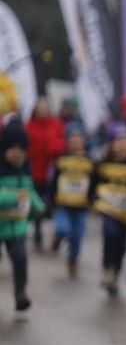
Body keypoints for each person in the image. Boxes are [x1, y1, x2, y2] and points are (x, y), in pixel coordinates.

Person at [91, 124, 126, 297]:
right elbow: (94, 183)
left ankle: (115, 273)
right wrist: (93, 199)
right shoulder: (103, 163)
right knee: (110, 234)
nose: (124, 144)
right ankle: (106, 268)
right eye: (119, 140)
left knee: (122, 243)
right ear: (111, 144)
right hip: (108, 208)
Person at [0, 123, 45, 314]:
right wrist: (14, 198)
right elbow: (17, 196)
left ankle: (21, 293)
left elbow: (29, 191)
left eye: (21, 150)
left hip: (17, 226)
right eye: (12, 149)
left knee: (20, 259)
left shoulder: (25, 170)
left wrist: (39, 206)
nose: (17, 153)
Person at [48, 122, 94, 278]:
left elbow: (94, 182)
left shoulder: (89, 160)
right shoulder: (61, 159)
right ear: (67, 140)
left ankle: (73, 259)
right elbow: (53, 180)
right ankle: (57, 238)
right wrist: (51, 199)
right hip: (64, 204)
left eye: (79, 138)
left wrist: (93, 199)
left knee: (77, 235)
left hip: (81, 206)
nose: (76, 141)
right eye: (72, 138)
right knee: (62, 228)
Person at [25, 99, 64, 250]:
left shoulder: (56, 125)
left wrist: (52, 147)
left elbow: (61, 143)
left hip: (52, 172)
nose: (42, 111)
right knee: (37, 203)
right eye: (39, 108)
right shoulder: (29, 126)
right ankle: (38, 230)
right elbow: (26, 147)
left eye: (44, 108)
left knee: (52, 204)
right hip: (35, 172)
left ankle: (57, 232)